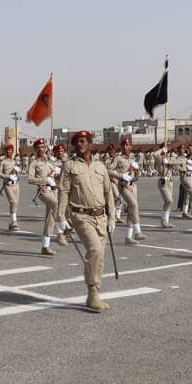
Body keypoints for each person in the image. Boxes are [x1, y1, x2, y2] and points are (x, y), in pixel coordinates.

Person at [58, 130, 117, 313]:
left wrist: (112, 217)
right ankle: (92, 292)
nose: (79, 144)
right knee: (95, 250)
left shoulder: (100, 166)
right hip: (81, 216)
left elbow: (108, 192)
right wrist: (61, 217)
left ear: (90, 144)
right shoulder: (69, 165)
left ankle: (95, 293)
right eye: (77, 142)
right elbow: (64, 192)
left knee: (99, 256)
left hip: (101, 217)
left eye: (83, 141)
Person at [27, 137, 63, 255]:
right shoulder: (34, 163)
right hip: (43, 191)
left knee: (50, 218)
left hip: (53, 191)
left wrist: (57, 174)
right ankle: (61, 232)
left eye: (42, 147)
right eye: (38, 148)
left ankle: (45, 246)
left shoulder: (50, 162)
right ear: (35, 150)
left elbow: (56, 176)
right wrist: (45, 179)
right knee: (56, 205)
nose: (41, 149)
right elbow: (30, 179)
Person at [106, 137, 145, 245]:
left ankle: (128, 237)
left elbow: (137, 174)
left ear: (130, 146)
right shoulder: (118, 158)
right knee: (134, 205)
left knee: (132, 210)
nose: (125, 147)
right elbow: (108, 170)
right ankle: (138, 232)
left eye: (127, 145)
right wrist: (120, 176)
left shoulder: (132, 158)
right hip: (123, 185)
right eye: (123, 145)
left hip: (133, 185)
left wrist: (137, 169)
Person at [0, 144, 22, 231]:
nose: (8, 151)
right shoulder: (3, 162)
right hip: (8, 184)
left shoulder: (15, 161)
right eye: (7, 150)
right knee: (13, 202)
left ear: (13, 151)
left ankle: (11, 223)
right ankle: (14, 221)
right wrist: (7, 176)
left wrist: (17, 172)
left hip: (16, 184)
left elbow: (18, 171)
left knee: (15, 204)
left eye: (10, 150)